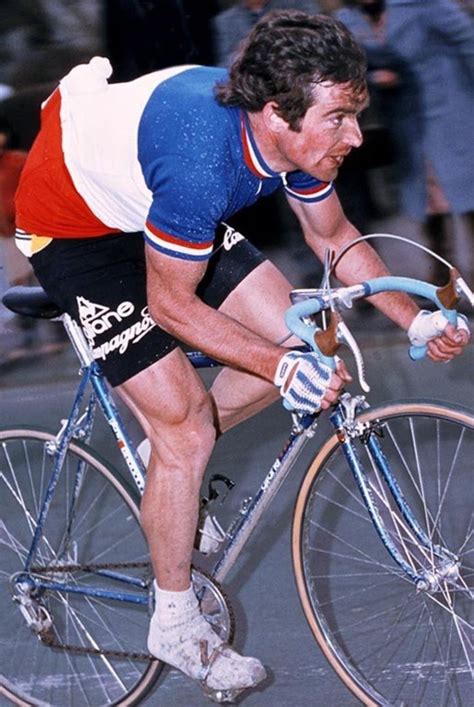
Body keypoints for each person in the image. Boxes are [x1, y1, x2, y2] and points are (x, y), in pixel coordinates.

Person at [14, 11, 469, 700]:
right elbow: (172, 307)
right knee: (191, 423)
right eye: (340, 117)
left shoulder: (289, 144)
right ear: (275, 112)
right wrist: (278, 371)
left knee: (301, 334)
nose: (354, 135)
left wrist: (412, 318)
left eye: (357, 115)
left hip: (150, 202)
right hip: (74, 229)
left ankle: (169, 465)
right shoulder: (205, 161)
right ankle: (173, 618)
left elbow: (334, 235)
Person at [336, 0, 474, 283]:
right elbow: (352, 65)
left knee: (467, 195)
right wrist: (374, 79)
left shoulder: (425, 5)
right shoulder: (349, 19)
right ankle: (443, 280)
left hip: (451, 112)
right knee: (427, 202)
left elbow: (468, 43)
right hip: (407, 121)